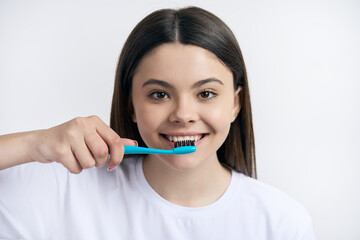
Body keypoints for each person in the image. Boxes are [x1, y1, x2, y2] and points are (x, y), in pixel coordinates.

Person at [0, 6, 316, 239]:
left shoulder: (281, 222)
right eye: (159, 94)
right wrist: (34, 143)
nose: (183, 113)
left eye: (205, 93)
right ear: (131, 105)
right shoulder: (64, 188)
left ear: (235, 103)